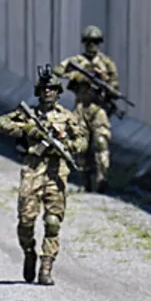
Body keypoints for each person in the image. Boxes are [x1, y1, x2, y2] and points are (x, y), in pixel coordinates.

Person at [0, 66, 88, 285]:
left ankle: (46, 267)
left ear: (58, 92)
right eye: (44, 88)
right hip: (32, 172)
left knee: (53, 221)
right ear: (38, 91)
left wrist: (67, 144)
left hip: (56, 174)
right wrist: (27, 130)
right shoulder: (30, 114)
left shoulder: (67, 117)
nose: (48, 92)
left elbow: (83, 141)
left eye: (52, 88)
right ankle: (29, 252)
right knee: (26, 221)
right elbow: (0, 123)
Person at [53, 25, 119, 192]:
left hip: (98, 108)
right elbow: (58, 70)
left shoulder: (106, 63)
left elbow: (115, 88)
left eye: (95, 42)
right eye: (89, 42)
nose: (92, 46)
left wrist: (103, 82)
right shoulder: (77, 61)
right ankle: (84, 181)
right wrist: (77, 76)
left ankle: (102, 179)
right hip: (81, 107)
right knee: (80, 145)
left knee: (101, 142)